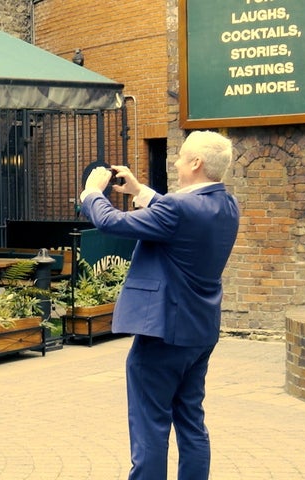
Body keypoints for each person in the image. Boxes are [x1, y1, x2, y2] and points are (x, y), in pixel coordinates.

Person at [78, 131, 239, 480]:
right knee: (191, 421)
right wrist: (139, 192)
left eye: (182, 157)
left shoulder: (178, 208)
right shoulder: (227, 205)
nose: (177, 162)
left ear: (196, 163)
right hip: (200, 332)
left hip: (163, 334)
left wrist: (92, 193)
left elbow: (111, 222)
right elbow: (177, 218)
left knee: (150, 426)